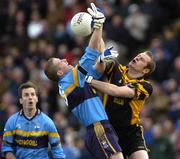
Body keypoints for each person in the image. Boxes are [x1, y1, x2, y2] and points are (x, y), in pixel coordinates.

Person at [44, 3, 124, 159]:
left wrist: (101, 57)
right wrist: (98, 25)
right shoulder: (70, 80)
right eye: (59, 61)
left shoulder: (74, 81)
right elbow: (90, 53)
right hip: (98, 127)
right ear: (60, 72)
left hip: (98, 128)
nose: (63, 59)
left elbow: (98, 70)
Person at [85, 47, 156, 159]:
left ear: (145, 70)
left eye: (141, 59)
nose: (137, 58)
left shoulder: (146, 86)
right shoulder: (116, 67)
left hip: (130, 133)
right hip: (109, 130)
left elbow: (116, 91)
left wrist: (90, 81)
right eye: (138, 56)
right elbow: (99, 68)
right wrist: (101, 59)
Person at [1, 81, 65, 159]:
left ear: (36, 99)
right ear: (21, 100)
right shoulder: (11, 121)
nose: (30, 97)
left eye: (32, 94)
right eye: (26, 95)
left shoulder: (47, 122)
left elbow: (58, 151)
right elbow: (6, 148)